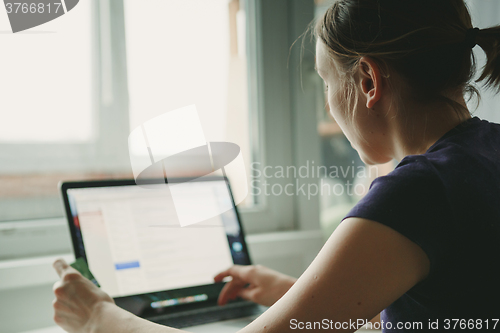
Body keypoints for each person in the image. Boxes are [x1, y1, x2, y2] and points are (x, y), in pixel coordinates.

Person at [51, 0, 500, 332]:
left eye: (326, 83)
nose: (328, 108)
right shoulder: (485, 152)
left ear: (367, 80)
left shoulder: (418, 190)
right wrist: (290, 293)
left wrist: (96, 316)